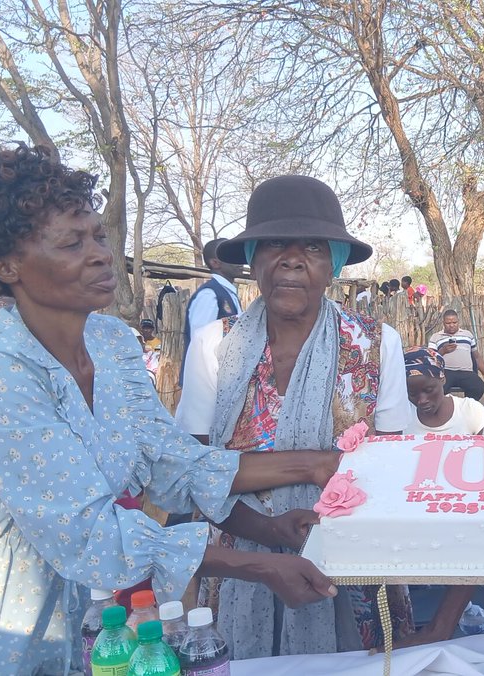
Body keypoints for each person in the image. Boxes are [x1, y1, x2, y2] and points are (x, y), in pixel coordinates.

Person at [0, 145, 337, 674]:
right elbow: (89, 530)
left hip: (70, 612)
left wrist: (314, 468)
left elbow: (171, 462)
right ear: (7, 266)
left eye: (98, 236)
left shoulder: (111, 342)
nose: (100, 254)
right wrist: (259, 565)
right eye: (72, 243)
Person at [174, 175, 426, 658]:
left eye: (312, 246)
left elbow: (392, 469)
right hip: (242, 562)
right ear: (252, 260)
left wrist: (331, 536)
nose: (292, 258)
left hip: (354, 566)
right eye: (273, 244)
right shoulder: (216, 346)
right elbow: (190, 472)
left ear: (332, 263)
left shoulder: (376, 346)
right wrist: (267, 531)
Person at [180, 238, 244, 384]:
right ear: (215, 263)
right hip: (206, 383)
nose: (240, 261)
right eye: (231, 256)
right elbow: (201, 346)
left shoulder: (227, 293)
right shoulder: (209, 295)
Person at [403, 347, 484, 435]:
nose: (422, 400)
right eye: (412, 393)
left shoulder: (471, 411)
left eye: (429, 390)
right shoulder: (401, 418)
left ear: (442, 379)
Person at [428, 309, 484, 399]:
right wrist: (442, 351)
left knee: (479, 387)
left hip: (466, 372)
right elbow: (430, 358)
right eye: (448, 323)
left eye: (454, 322)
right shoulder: (436, 337)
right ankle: (446, 408)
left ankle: (466, 407)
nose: (451, 325)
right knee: (439, 389)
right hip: (446, 372)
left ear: (458, 322)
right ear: (443, 323)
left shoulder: (467, 335)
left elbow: (477, 357)